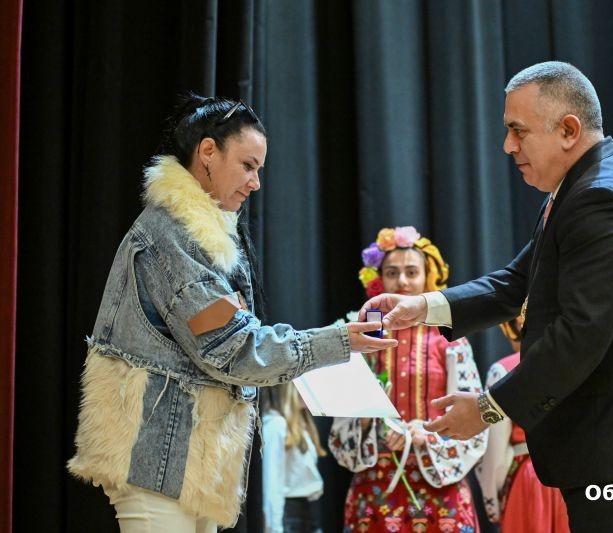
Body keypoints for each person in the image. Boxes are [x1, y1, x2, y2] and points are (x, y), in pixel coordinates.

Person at [359, 62, 613, 533]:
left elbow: (579, 337)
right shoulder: (580, 187)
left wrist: (486, 409)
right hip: (611, 443)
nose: (507, 145)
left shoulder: (602, 199)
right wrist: (422, 307)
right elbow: (515, 282)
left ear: (568, 130)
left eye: (518, 130)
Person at [67, 94, 396, 532]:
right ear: (208, 152)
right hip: (156, 458)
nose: (255, 183)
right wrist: (339, 341)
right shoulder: (171, 234)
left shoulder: (200, 235)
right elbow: (232, 349)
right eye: (247, 165)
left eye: (258, 169)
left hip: (185, 461)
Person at [329, 226, 486, 532]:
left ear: (428, 277)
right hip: (375, 485)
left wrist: (429, 433)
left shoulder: (450, 339)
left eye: (412, 272)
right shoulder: (363, 337)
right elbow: (341, 427)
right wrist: (366, 421)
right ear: (379, 280)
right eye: (392, 273)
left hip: (440, 486)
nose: (402, 281)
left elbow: (475, 415)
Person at [475, 317, 569, 532]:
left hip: (530, 479)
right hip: (575, 477)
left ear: (519, 325)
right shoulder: (579, 365)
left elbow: (495, 452)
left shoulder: (503, 371)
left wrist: (492, 500)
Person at [261, 384, 326, 532]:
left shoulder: (303, 424)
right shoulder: (276, 424)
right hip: (288, 516)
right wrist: (273, 529)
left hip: (307, 513)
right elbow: (272, 484)